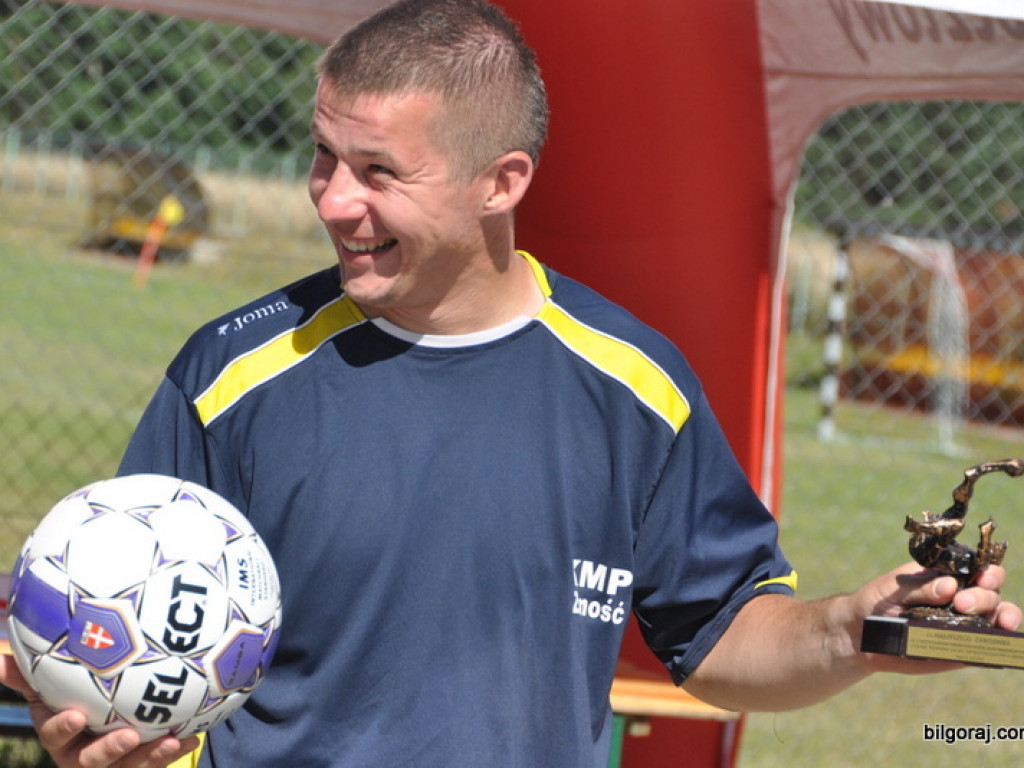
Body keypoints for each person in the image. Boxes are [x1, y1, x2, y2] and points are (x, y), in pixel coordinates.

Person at [2, 0, 1020, 766]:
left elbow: (717, 638)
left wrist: (854, 629)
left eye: (377, 172)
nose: (332, 201)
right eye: (323, 157)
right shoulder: (232, 372)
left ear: (503, 181)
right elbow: (114, 627)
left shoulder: (633, 386)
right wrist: (87, 722)